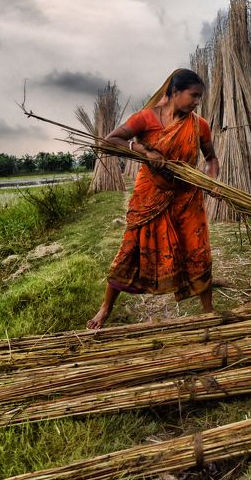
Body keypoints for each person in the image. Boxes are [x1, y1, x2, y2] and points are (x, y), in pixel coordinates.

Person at [88, 68, 220, 329]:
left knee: (197, 250)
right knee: (130, 250)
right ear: (174, 92)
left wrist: (211, 180)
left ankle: (208, 311)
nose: (197, 102)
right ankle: (105, 309)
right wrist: (141, 149)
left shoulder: (199, 125)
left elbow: (211, 158)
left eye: (199, 98)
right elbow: (109, 141)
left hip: (186, 196)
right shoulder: (145, 119)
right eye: (193, 96)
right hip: (149, 196)